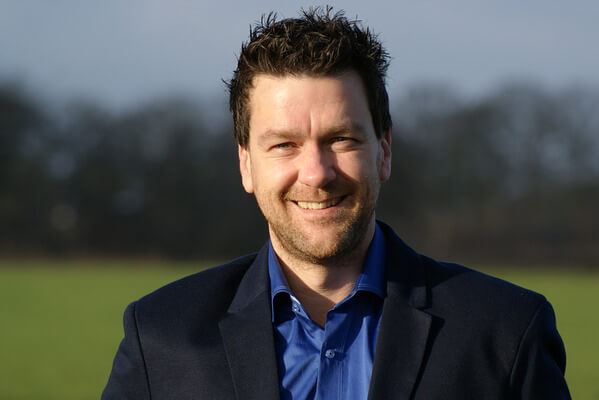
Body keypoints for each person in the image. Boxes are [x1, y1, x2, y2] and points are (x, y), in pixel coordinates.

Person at [102, 8, 571, 400]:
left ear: (384, 151)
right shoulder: (160, 339)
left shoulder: (506, 332)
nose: (316, 173)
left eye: (341, 139)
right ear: (245, 164)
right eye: (284, 145)